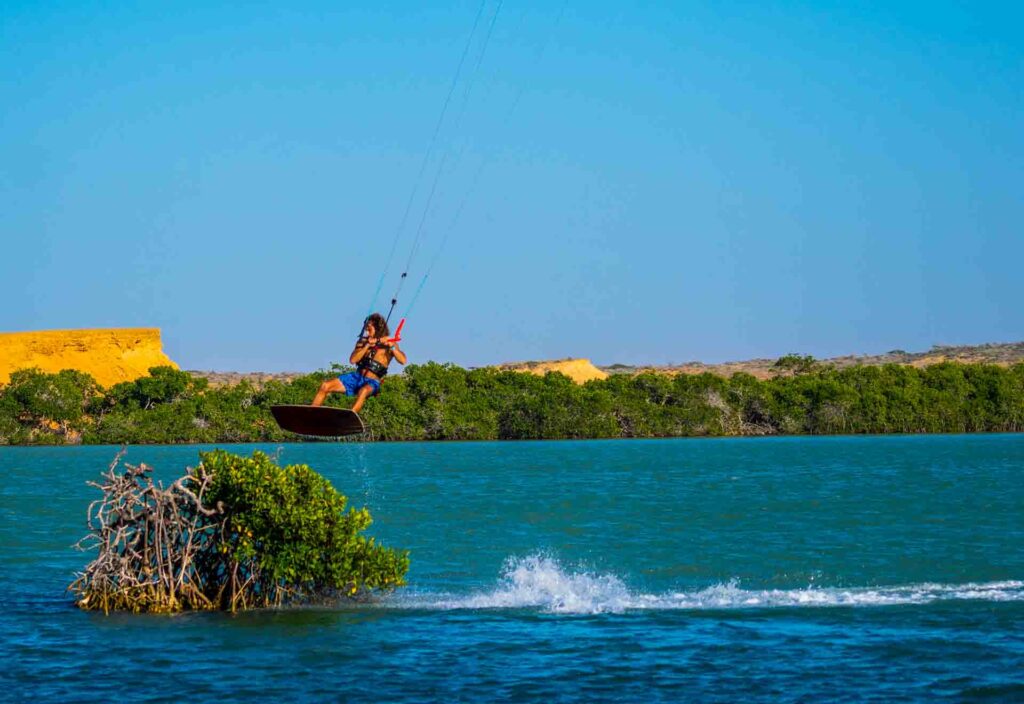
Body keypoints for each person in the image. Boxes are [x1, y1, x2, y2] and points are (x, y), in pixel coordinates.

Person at [311, 313, 407, 413]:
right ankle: (312, 412)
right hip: (356, 377)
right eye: (366, 329)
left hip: (372, 382)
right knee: (325, 385)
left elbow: (403, 360)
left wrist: (392, 347)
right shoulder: (362, 342)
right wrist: (367, 346)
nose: (367, 332)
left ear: (377, 329)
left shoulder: (389, 344)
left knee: (363, 391)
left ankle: (350, 416)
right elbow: (353, 360)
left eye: (369, 329)